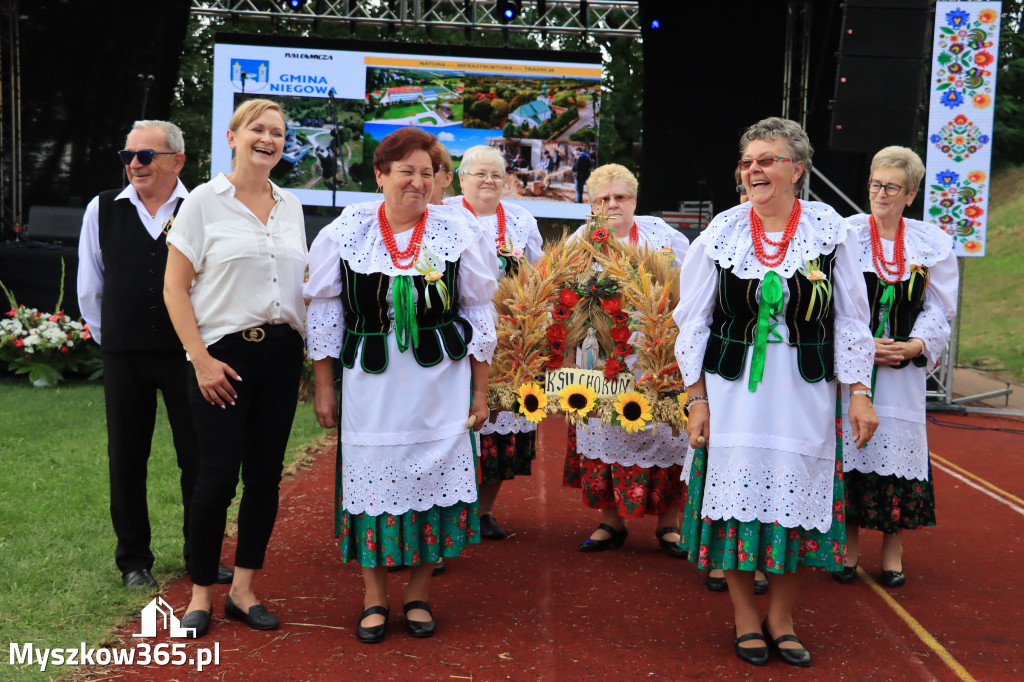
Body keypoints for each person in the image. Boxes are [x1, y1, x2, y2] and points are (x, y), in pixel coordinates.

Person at [672, 117, 878, 667]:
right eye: (747, 162)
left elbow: (852, 319)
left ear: (797, 169)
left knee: (795, 502)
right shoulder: (723, 231)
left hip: (804, 390)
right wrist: (696, 400)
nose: (754, 170)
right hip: (733, 391)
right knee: (735, 505)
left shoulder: (830, 230)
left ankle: (782, 618)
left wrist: (860, 390)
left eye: (767, 159)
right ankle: (744, 614)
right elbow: (692, 321)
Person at [305, 127, 497, 643]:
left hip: (441, 383)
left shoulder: (458, 232)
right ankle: (373, 597)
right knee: (372, 484)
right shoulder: (348, 232)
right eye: (406, 171)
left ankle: (417, 593)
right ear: (380, 175)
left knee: (432, 481)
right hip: (373, 386)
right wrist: (325, 388)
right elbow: (325, 309)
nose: (417, 182)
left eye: (428, 173)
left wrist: (481, 394)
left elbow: (478, 311)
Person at [163, 99, 307, 638]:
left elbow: (300, 289)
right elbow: (174, 287)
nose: (268, 138)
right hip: (221, 357)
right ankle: (201, 593)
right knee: (216, 477)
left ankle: (244, 592)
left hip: (279, 355)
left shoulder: (290, 205)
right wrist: (200, 361)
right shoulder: (202, 201)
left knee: (265, 476)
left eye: (277, 132)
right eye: (258, 129)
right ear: (232, 136)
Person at [77, 120, 233, 591]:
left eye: (145, 156)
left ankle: (199, 553)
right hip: (124, 355)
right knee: (127, 455)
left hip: (188, 354)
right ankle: (133, 561)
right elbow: (91, 285)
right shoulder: (102, 208)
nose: (134, 165)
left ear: (177, 161)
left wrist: (200, 348)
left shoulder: (201, 207)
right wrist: (115, 340)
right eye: (127, 156)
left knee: (198, 457)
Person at [835, 147, 958, 588]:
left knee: (895, 453)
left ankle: (892, 547)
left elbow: (939, 308)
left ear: (911, 193)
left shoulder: (930, 242)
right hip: (854, 365)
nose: (880, 193)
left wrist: (914, 346)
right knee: (850, 448)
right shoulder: (846, 235)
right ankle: (846, 546)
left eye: (891, 187)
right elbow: (833, 302)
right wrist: (865, 347)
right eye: (875, 184)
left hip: (902, 371)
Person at [562, 163, 691, 557]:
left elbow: (688, 295)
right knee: (605, 428)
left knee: (662, 432)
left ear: (634, 200)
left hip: (654, 355)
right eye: (604, 198)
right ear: (590, 203)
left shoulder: (665, 238)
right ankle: (610, 522)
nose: (613, 204)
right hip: (597, 356)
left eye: (621, 197)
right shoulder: (579, 242)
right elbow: (563, 301)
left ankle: (669, 525)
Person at [446, 145, 542, 541]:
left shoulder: (520, 219)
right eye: (480, 174)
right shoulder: (443, 215)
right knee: (456, 422)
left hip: (508, 340)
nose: (488, 181)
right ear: (460, 178)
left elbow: (538, 275)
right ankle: (452, 507)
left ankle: (484, 511)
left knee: (501, 427)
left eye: (496, 175)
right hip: (455, 337)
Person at [703, 166, 768, 596]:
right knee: (729, 467)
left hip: (790, 383)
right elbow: (697, 316)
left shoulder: (818, 236)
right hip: (730, 374)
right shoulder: (723, 233)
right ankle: (726, 559)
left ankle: (765, 559)